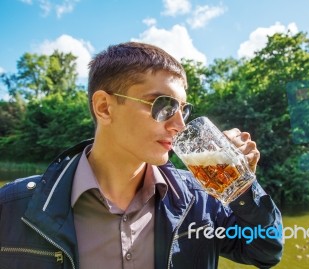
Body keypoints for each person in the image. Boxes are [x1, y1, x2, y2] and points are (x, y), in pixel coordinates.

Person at [0, 42, 283, 269]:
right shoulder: (11, 208)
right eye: (162, 105)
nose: (180, 125)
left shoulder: (200, 200)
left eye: (182, 109)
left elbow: (266, 251)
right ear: (105, 107)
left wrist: (241, 186)